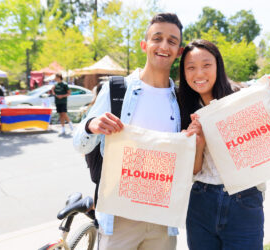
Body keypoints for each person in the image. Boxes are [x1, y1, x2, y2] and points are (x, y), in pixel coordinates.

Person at [73, 13, 184, 250]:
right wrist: (91, 125)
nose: (164, 45)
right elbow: (78, 144)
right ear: (145, 45)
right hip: (119, 220)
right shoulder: (117, 89)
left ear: (179, 51)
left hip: (162, 221)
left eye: (172, 41)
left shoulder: (182, 99)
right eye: (158, 38)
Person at [178, 39, 270, 250]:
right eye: (191, 68)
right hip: (202, 199)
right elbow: (193, 169)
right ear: (184, 72)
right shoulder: (186, 107)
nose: (199, 74)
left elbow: (267, 143)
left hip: (244, 200)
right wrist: (198, 144)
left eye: (206, 65)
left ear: (218, 65)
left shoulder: (241, 97)